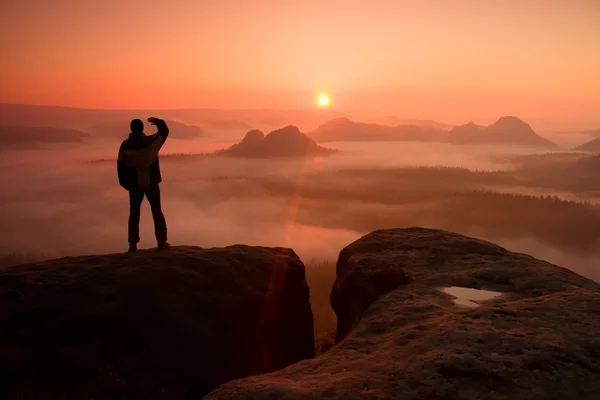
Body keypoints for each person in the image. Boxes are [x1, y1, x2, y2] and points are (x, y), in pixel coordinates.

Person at [117, 117, 170, 252]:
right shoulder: (151, 142)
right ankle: (161, 242)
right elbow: (164, 132)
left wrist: (125, 184)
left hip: (134, 185)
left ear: (131, 129)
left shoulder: (125, 146)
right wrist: (159, 122)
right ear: (142, 129)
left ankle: (132, 244)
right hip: (151, 182)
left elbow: (120, 167)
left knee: (134, 214)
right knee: (157, 212)